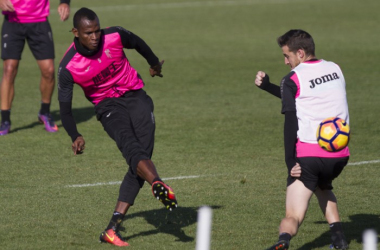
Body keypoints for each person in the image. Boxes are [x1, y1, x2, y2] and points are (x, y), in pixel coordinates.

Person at [58, 7, 178, 247]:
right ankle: (157, 182)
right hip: (107, 107)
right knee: (131, 148)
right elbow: (65, 108)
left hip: (135, 97)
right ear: (75, 32)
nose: (95, 37)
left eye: (97, 31)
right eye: (88, 33)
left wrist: (154, 64)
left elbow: (139, 43)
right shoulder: (68, 67)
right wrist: (75, 134)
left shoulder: (114, 36)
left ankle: (112, 229)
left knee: (140, 158)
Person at [254, 29, 350, 250]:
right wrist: (269, 86)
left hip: (309, 156)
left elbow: (291, 122)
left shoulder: (292, 79)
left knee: (293, 213)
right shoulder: (335, 69)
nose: (285, 61)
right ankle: (338, 239)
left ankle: (283, 241)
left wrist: (291, 163)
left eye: (287, 56)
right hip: (339, 156)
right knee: (322, 186)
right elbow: (307, 97)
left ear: (300, 53)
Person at [0, 0, 70, 135]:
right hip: (12, 20)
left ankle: (45, 112)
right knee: (9, 69)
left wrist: (64, 2)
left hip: (40, 21)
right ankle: (5, 120)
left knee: (49, 71)